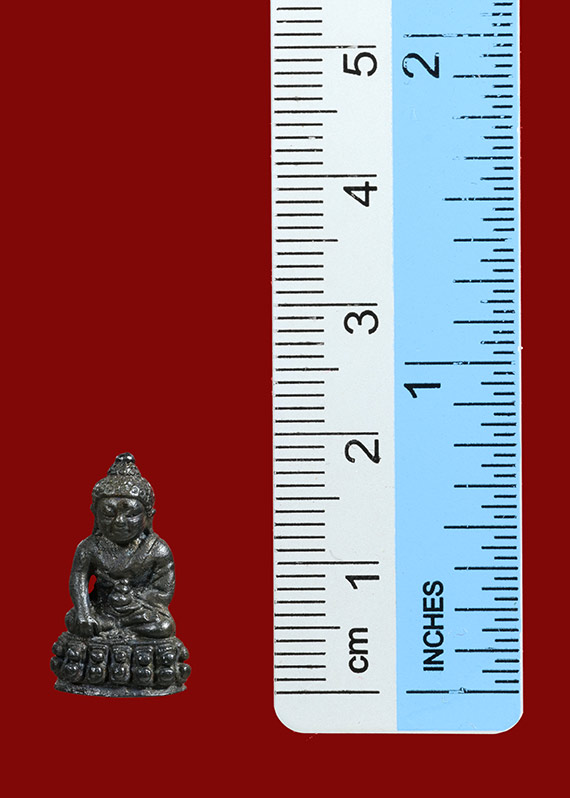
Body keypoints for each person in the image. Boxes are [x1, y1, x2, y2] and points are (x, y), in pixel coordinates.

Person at [65, 452, 176, 639]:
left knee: (164, 626)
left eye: (131, 514)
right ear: (95, 515)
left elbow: (163, 591)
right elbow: (78, 578)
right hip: (102, 609)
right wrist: (84, 612)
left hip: (138, 611)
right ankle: (110, 627)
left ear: (148, 516)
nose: (119, 521)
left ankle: (115, 629)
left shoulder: (158, 550)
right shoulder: (89, 547)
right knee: (73, 619)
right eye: (108, 514)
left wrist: (132, 598)